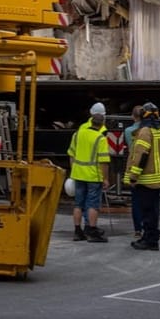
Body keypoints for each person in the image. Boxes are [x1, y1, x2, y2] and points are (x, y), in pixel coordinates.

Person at [125, 102, 160, 251]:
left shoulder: (145, 131)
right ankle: (149, 237)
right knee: (153, 210)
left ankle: (150, 240)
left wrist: (133, 176)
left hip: (146, 179)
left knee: (147, 210)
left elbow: (141, 155)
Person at [67, 102, 112, 242]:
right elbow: (104, 161)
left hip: (78, 174)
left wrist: (73, 172)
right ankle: (91, 231)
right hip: (93, 176)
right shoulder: (100, 138)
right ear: (102, 122)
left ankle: (77, 231)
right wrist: (105, 178)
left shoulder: (78, 133)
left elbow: (71, 154)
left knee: (78, 204)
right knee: (92, 204)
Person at [124, 106, 143, 238]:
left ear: (133, 116)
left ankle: (137, 228)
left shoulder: (128, 131)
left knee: (136, 200)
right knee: (148, 199)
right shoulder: (149, 131)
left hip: (132, 164)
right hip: (146, 167)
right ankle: (147, 225)